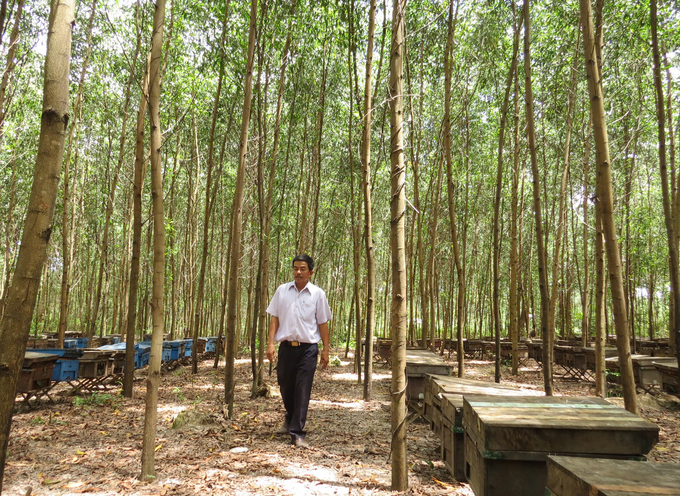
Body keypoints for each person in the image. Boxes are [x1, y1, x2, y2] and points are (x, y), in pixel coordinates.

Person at [266, 254, 332, 447]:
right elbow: (274, 318)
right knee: (285, 386)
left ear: (311, 272)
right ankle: (290, 417)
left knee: (302, 388)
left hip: (308, 349)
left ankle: (297, 432)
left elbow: (322, 323)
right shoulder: (282, 291)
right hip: (286, 347)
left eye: (303, 269)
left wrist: (326, 350)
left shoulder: (318, 294)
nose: (298, 272)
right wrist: (270, 344)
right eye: (295, 268)